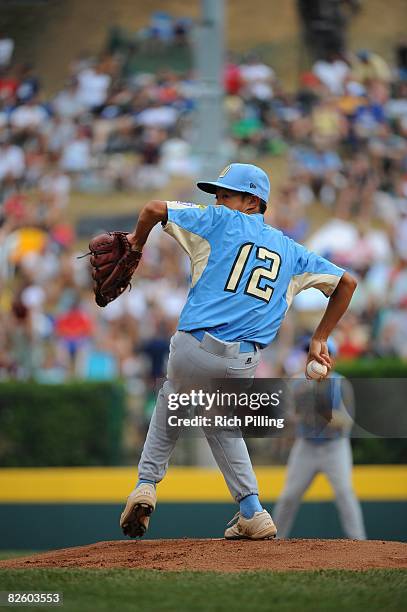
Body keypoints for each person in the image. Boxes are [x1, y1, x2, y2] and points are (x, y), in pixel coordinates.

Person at [119, 163, 357, 540]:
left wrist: (135, 243)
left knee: (173, 398)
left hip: (195, 346)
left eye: (226, 194)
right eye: (217, 194)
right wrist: (320, 337)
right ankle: (252, 510)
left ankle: (147, 483)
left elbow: (151, 208)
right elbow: (347, 281)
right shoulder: (291, 251)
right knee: (220, 422)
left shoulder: (218, 221)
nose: (217, 200)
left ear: (252, 201)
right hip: (243, 362)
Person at [273, 337, 366, 540]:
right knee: (289, 496)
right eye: (311, 353)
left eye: (326, 353)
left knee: (344, 494)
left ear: (332, 358)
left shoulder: (341, 384)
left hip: (335, 448)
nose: (318, 357)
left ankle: (359, 543)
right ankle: (274, 541)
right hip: (306, 447)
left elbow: (346, 421)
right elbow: (286, 416)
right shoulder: (298, 383)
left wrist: (322, 414)